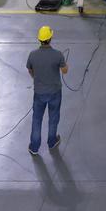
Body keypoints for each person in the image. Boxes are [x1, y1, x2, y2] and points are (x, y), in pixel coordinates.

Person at [26, 25, 68, 154]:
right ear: (50, 38)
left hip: (39, 93)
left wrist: (36, 78)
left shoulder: (32, 55)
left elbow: (30, 70)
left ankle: (34, 147)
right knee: (53, 118)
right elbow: (64, 71)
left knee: (37, 119)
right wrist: (64, 64)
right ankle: (52, 141)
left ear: (39, 39)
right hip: (55, 92)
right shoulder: (58, 54)